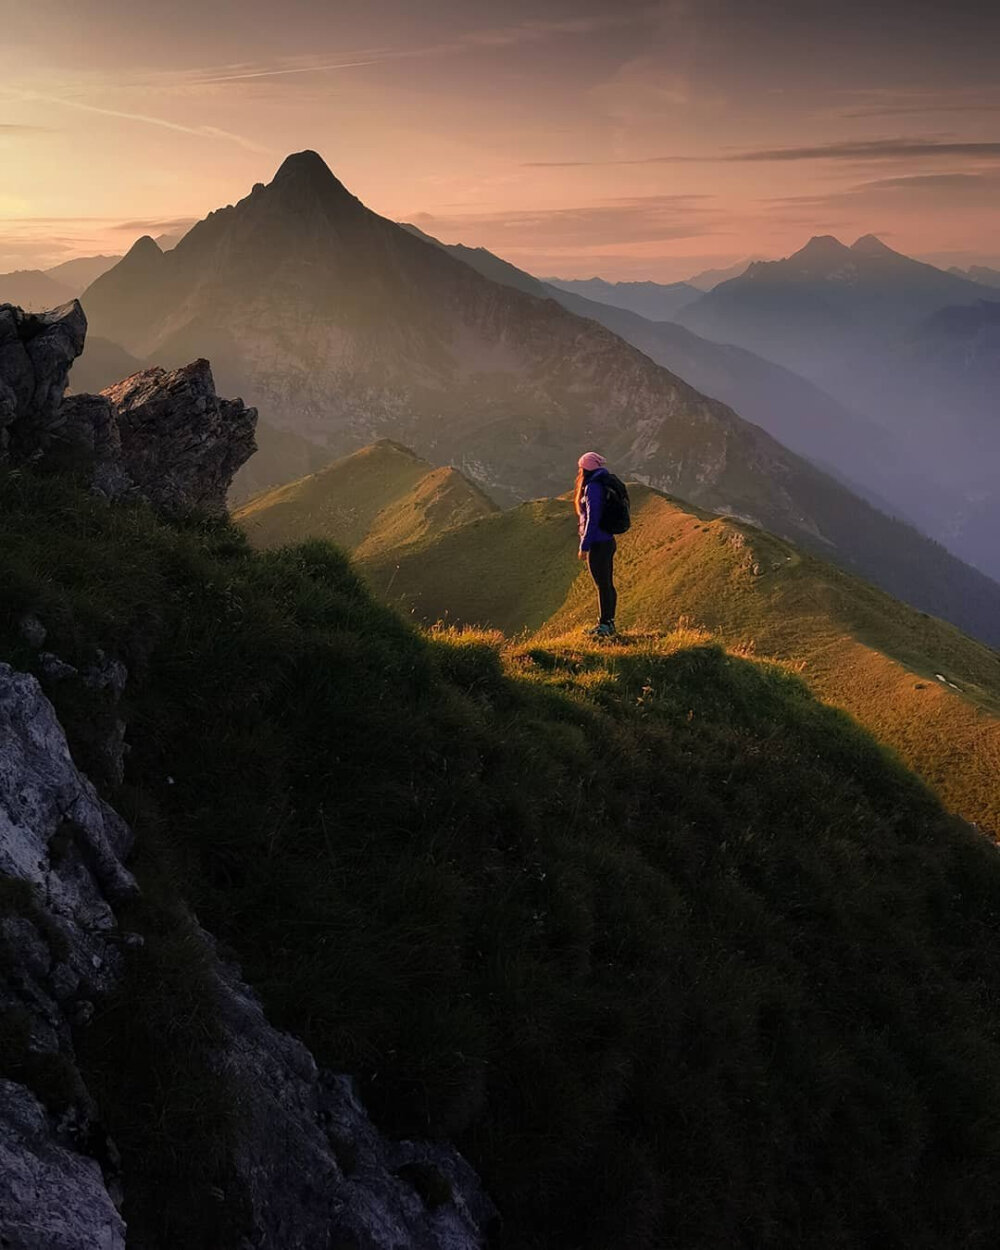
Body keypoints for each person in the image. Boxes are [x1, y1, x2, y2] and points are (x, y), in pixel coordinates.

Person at [575, 451, 618, 637]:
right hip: (607, 540)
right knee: (606, 583)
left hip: (599, 543)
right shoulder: (601, 482)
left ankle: (605, 626)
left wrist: (584, 546)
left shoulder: (592, 487)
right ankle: (608, 623)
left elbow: (592, 519)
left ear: (584, 469)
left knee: (602, 584)